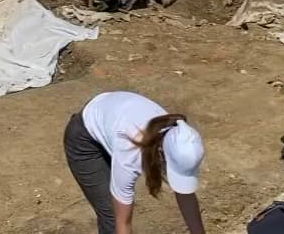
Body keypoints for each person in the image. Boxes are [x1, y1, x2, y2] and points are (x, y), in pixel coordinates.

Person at [63, 91, 206, 234]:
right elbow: (122, 223)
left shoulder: (179, 139)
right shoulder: (131, 156)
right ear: (161, 154)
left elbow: (185, 194)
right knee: (111, 215)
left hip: (114, 117)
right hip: (85, 138)